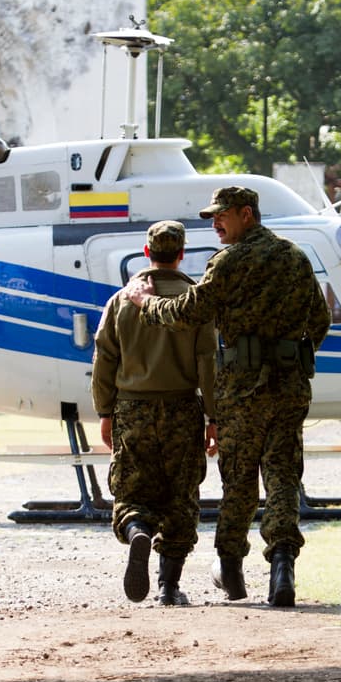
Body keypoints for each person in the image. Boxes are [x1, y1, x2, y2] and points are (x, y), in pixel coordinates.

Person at [126, 187, 331, 608]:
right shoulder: (296, 257)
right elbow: (320, 320)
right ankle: (282, 567)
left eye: (221, 216)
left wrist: (146, 303)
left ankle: (232, 570)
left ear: (246, 214)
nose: (215, 223)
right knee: (283, 476)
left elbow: (186, 313)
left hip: (242, 388)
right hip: (290, 385)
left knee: (239, 479)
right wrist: (288, 350)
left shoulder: (229, 262)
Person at [92, 220, 219, 606]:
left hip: (131, 408)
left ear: (147, 252)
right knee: (181, 496)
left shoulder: (122, 300)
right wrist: (214, 417)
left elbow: (104, 359)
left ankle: (137, 530)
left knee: (132, 489)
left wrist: (105, 410)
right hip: (182, 406)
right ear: (181, 254)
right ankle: (168, 586)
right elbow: (207, 363)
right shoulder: (193, 302)